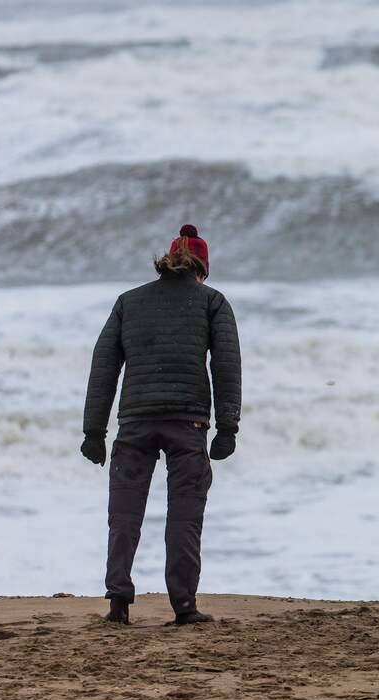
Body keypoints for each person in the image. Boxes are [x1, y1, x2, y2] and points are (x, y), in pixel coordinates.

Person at [81, 224, 242, 626]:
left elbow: (103, 369)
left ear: (167, 263)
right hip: (188, 423)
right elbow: (226, 367)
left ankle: (118, 603)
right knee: (184, 516)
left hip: (135, 422)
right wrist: (228, 427)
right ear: (201, 267)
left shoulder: (128, 302)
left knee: (124, 512)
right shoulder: (212, 302)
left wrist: (93, 432)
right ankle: (184, 607)